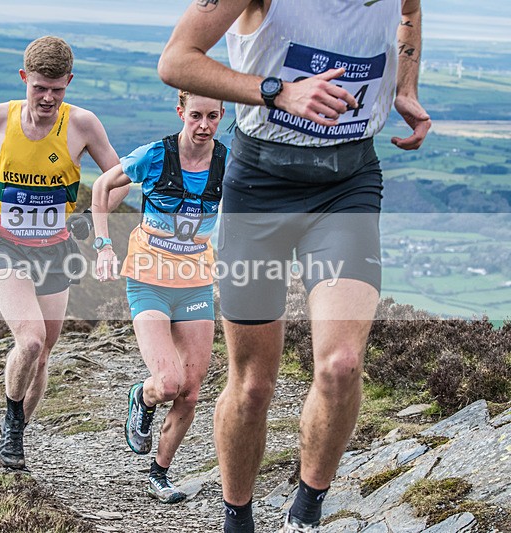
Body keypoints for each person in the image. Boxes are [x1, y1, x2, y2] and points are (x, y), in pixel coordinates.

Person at [158, 1, 430, 531]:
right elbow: (176, 61)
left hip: (348, 182)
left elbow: (411, 8)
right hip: (259, 185)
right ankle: (238, 518)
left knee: (341, 365)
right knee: (253, 384)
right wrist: (278, 91)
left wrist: (404, 87)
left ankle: (305, 514)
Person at [0, 35, 127, 470]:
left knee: (43, 352)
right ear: (24, 78)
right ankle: (11, 425)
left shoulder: (82, 124)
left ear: (69, 82)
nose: (48, 98)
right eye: (39, 88)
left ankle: (17, 436)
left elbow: (120, 178)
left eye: (57, 90)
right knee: (28, 341)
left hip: (56, 249)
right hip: (6, 245)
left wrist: (91, 215)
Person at [92, 90, 227, 503]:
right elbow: (103, 184)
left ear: (222, 115)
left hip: (195, 283)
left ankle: (160, 474)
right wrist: (103, 245)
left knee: (191, 391)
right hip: (148, 279)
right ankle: (143, 395)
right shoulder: (155, 156)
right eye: (196, 115)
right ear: (180, 112)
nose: (204, 125)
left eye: (213, 116)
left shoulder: (228, 162)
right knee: (168, 384)